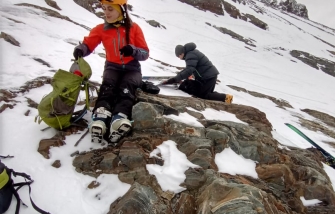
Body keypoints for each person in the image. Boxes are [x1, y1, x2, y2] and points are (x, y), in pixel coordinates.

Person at [73, 0, 149, 143]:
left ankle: (119, 118)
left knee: (127, 87)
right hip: (112, 67)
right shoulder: (102, 29)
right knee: (107, 87)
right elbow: (89, 44)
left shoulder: (134, 28)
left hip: (132, 68)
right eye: (104, 9)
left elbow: (144, 53)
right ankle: (100, 119)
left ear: (120, 10)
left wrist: (133, 50)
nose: (106, 12)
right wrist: (81, 50)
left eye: (110, 9)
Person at [162, 42, 233, 104]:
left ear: (181, 53)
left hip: (208, 77)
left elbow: (189, 69)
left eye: (179, 56)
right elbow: (189, 69)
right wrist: (179, 77)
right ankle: (227, 98)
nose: (179, 58)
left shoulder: (190, 55)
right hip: (209, 76)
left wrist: (175, 79)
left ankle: (227, 98)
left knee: (204, 95)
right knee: (206, 93)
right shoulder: (191, 53)